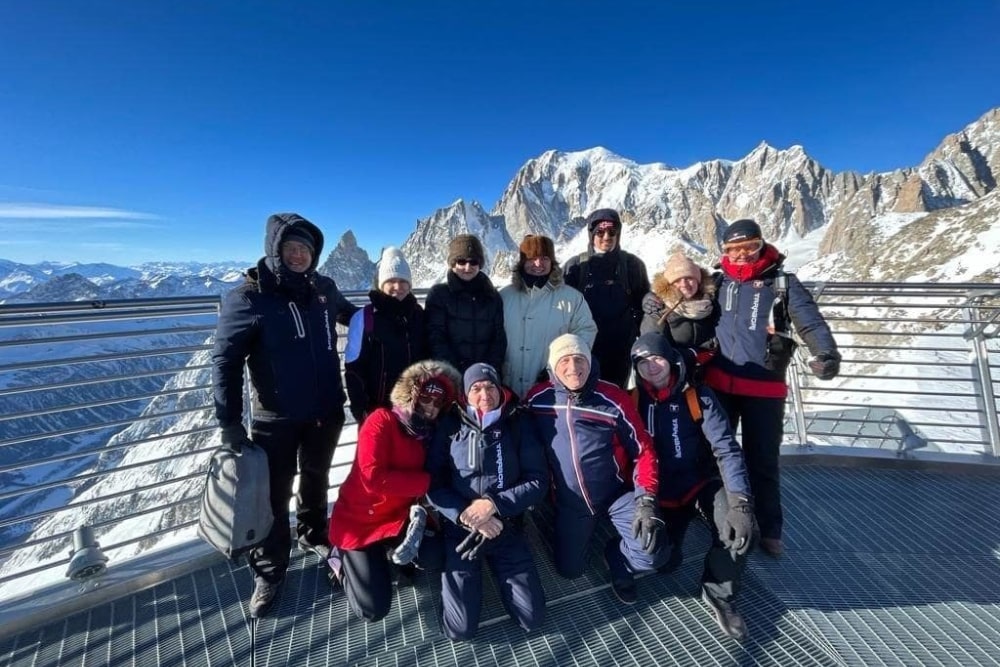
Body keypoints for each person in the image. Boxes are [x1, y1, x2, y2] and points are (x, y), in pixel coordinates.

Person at [212, 212, 358, 618]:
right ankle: (271, 569)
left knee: (317, 478)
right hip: (275, 417)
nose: (299, 255)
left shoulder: (324, 288)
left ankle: (315, 535)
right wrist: (228, 420)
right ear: (275, 251)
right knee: (274, 495)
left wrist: (398, 312)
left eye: (306, 249)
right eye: (291, 248)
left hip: (325, 410)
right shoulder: (248, 297)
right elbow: (225, 360)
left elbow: (357, 317)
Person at [704, 219, 841, 558]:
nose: (741, 255)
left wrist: (825, 353)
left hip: (764, 387)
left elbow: (810, 320)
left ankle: (770, 528)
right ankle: (719, 515)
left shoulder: (782, 284)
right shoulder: (718, 283)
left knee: (762, 458)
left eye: (748, 247)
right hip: (720, 382)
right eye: (733, 250)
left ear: (761, 245)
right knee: (715, 454)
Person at [630, 333, 757, 640]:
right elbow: (631, 456)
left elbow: (726, 449)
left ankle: (719, 592)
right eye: (642, 362)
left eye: (657, 358)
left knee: (737, 530)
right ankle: (676, 531)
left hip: (699, 482)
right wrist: (643, 501)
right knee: (661, 561)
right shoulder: (633, 400)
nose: (651, 367)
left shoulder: (696, 396)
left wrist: (740, 502)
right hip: (661, 492)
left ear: (671, 359)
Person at [524, 334, 665, 605]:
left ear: (590, 362)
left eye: (579, 359)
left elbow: (644, 449)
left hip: (615, 493)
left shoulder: (611, 398)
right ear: (553, 367)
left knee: (653, 554)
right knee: (570, 571)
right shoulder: (538, 398)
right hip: (570, 502)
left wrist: (646, 498)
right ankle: (574, 531)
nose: (573, 367)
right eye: (564, 360)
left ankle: (617, 556)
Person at [327, 360, 461, 622]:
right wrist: (426, 483)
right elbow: (372, 477)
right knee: (372, 609)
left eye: (438, 403)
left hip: (398, 518)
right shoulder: (381, 420)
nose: (431, 407)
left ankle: (387, 555)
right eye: (426, 398)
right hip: (360, 520)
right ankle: (339, 559)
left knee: (435, 556)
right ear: (412, 395)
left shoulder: (431, 434)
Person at [426, 362, 547, 640]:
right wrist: (466, 514)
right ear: (465, 393)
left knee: (532, 618)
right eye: (476, 388)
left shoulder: (517, 421)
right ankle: (459, 575)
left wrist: (493, 505)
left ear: (500, 388)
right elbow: (433, 482)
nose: (484, 394)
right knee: (460, 630)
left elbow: (537, 480)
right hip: (462, 530)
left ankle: (497, 569)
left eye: (490, 386)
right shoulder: (450, 424)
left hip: (506, 525)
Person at [500, 234, 597, 398]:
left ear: (552, 262)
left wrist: (560, 368)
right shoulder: (504, 297)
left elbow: (585, 332)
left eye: (544, 258)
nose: (538, 264)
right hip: (509, 387)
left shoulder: (571, 298)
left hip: (553, 389)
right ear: (523, 262)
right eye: (532, 258)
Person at [564, 208, 650, 388]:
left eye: (612, 232)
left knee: (615, 396)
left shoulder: (632, 265)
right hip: (585, 348)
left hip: (621, 350)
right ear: (591, 235)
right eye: (600, 232)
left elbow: (643, 303)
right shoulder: (576, 266)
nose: (606, 237)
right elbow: (562, 310)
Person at [344, 246, 428, 424]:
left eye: (403, 281)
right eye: (391, 281)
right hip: (377, 412)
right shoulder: (364, 318)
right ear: (381, 284)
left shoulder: (418, 315)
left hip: (414, 411)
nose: (397, 287)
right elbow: (354, 370)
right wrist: (362, 412)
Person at [426, 234, 506, 373]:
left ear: (479, 264)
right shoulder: (439, 294)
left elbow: (498, 339)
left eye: (473, 262)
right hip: (450, 375)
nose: (467, 267)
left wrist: (487, 371)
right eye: (461, 261)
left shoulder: (492, 297)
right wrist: (455, 372)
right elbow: (435, 339)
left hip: (484, 377)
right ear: (453, 264)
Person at [640, 250, 719, 357]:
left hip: (709, 368)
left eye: (689, 278)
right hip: (676, 368)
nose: (684, 284)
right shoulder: (658, 308)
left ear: (699, 280)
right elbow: (653, 348)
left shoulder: (710, 301)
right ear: (669, 285)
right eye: (677, 281)